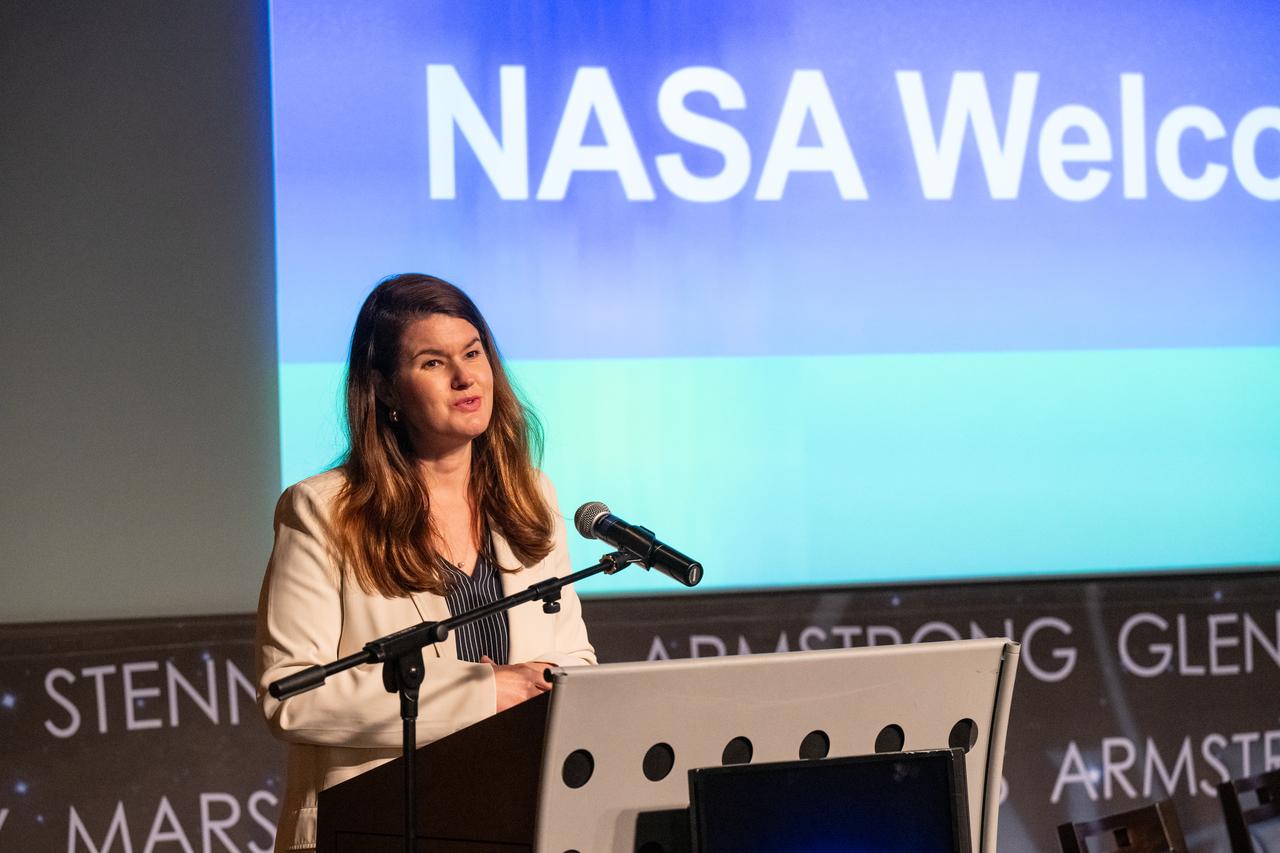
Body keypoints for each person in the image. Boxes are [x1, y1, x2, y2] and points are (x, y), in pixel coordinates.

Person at [255, 273, 595, 852]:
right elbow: (290, 695)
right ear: (385, 390)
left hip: (519, 819)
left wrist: (562, 687)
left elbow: (571, 657)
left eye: (472, 353)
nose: (466, 377)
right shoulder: (323, 511)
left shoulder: (531, 495)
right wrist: (484, 693)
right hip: (380, 825)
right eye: (433, 363)